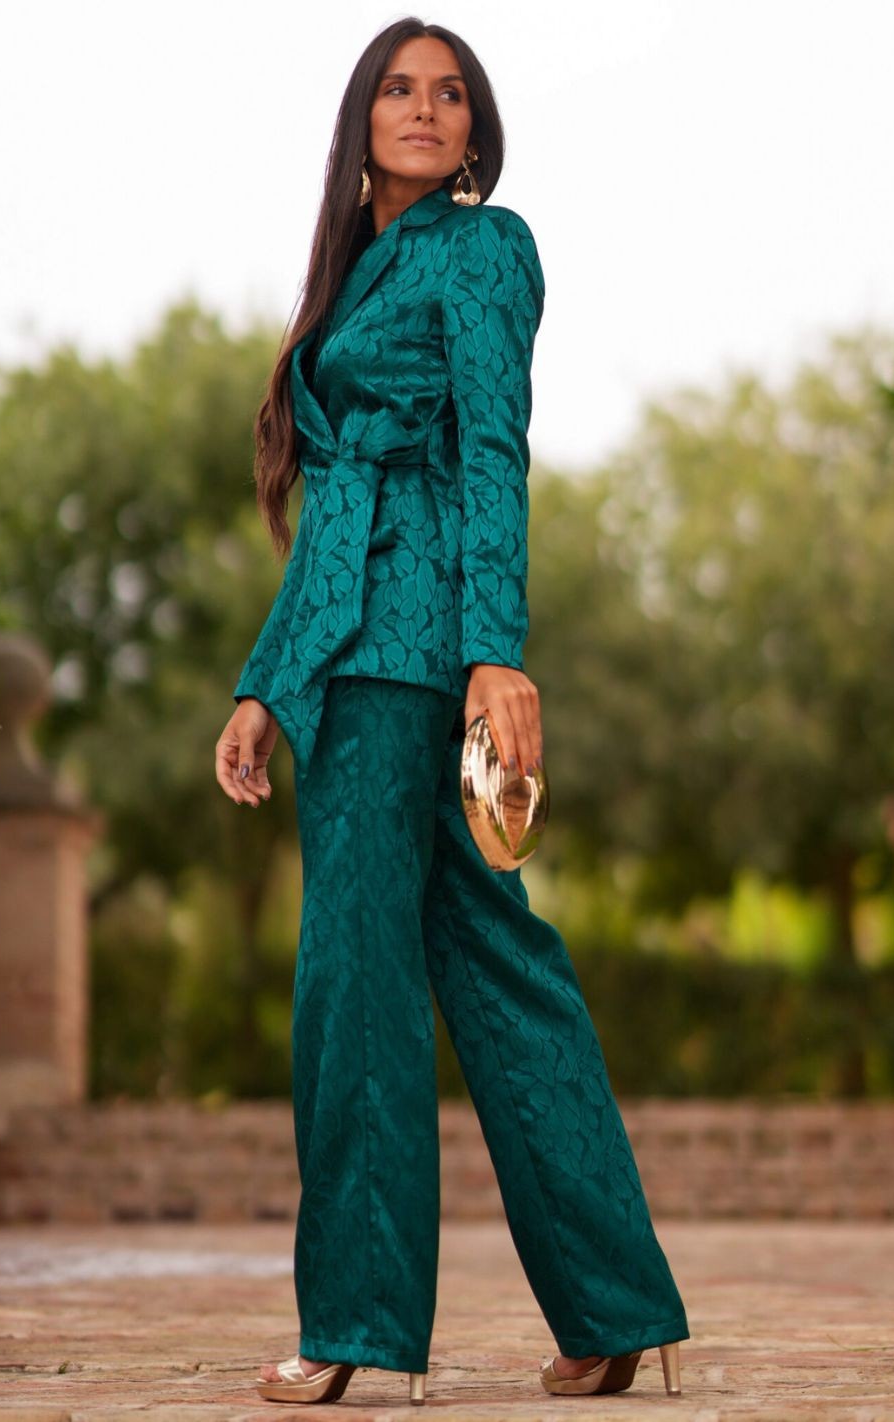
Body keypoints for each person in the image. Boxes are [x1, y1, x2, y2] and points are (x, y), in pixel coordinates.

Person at [215, 17, 690, 1407]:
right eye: (399, 89)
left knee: (353, 980)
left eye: (451, 93)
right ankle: (613, 1308)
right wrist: (267, 682)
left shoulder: (483, 248)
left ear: (476, 128)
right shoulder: (353, 272)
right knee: (495, 964)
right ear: (361, 120)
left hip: (408, 659)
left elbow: (494, 447)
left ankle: (357, 1322)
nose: (425, 108)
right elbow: (334, 516)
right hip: (352, 652)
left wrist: (496, 653)